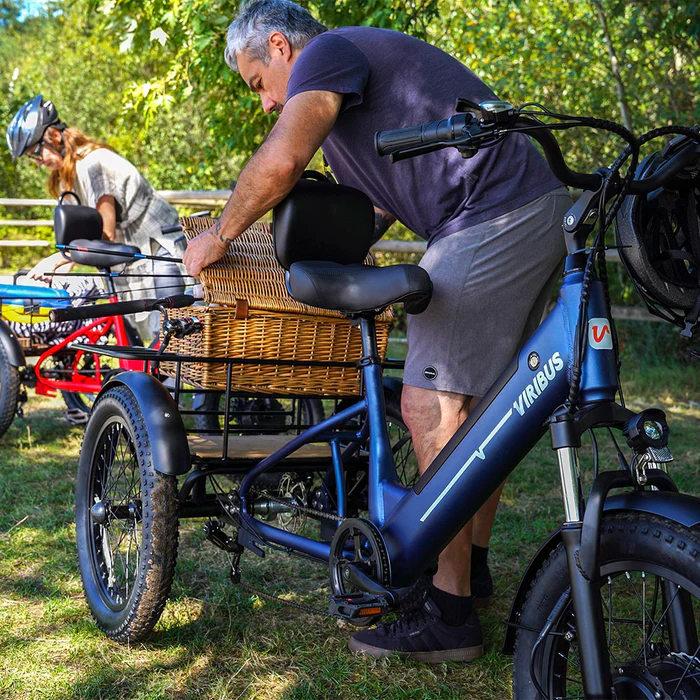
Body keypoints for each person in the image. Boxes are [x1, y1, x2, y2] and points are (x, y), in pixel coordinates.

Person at [184, 0, 572, 662]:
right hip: (535, 203)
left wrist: (220, 235)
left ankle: (448, 613)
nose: (266, 103)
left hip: (487, 212)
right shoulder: (358, 93)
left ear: (279, 46)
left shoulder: (325, 54)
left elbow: (281, 162)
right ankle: (470, 571)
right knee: (483, 413)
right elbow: (379, 205)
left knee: (430, 405)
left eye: (258, 84)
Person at [6, 95, 186, 339]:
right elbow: (80, 238)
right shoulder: (67, 178)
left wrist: (58, 260)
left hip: (158, 249)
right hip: (128, 257)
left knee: (171, 335)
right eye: (32, 158)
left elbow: (105, 233)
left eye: (37, 153)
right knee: (140, 339)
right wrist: (60, 268)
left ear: (55, 136)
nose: (38, 163)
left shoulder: (95, 164)